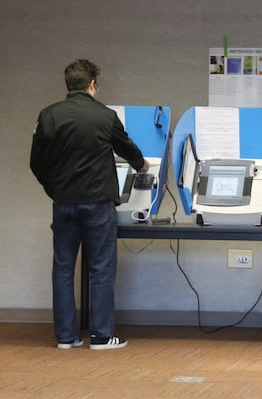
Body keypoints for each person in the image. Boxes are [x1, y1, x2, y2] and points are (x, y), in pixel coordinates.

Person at [30, 59, 149, 350]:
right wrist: (141, 164)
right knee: (101, 268)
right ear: (93, 84)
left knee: (63, 267)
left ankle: (66, 337)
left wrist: (54, 189)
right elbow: (127, 148)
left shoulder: (48, 116)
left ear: (67, 84)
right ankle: (101, 335)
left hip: (64, 202)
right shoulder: (105, 116)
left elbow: (36, 163)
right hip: (98, 203)